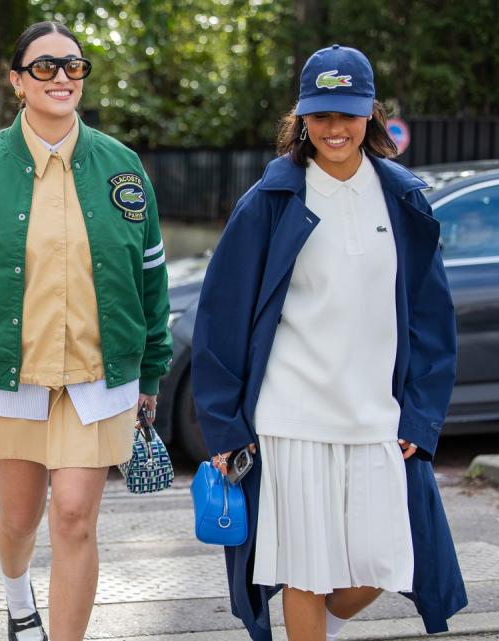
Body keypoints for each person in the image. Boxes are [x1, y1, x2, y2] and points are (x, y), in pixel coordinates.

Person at [191, 45, 467, 641]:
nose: (334, 128)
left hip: (377, 420)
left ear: (371, 112)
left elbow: (432, 320)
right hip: (292, 419)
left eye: (347, 113)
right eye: (320, 115)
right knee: (303, 576)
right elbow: (220, 318)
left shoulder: (401, 199)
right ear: (302, 117)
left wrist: (420, 417)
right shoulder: (271, 200)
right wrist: (224, 428)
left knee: (387, 562)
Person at [0, 21, 172, 641]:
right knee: (19, 519)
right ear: (17, 82)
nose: (61, 77)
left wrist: (152, 371)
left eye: (74, 67)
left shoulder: (122, 166)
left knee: (76, 520)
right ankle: (15, 593)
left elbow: (151, 279)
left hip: (97, 379)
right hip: (14, 376)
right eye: (45, 67)